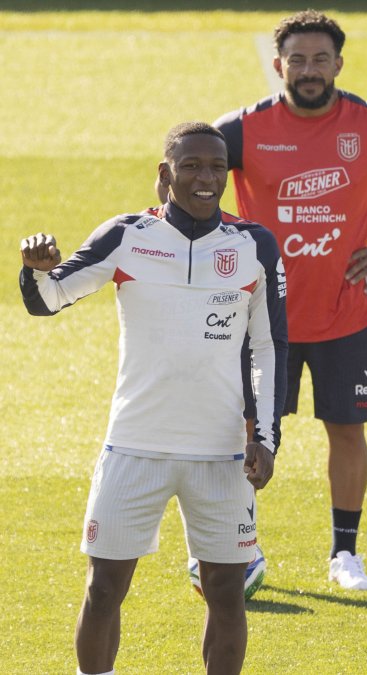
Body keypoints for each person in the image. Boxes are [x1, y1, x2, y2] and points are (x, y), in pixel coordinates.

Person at [20, 122, 287, 675]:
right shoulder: (127, 236)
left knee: (226, 593)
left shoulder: (254, 245)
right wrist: (35, 271)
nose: (205, 177)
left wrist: (265, 437)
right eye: (191, 166)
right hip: (135, 445)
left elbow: (268, 346)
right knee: (104, 588)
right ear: (165, 175)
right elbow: (49, 300)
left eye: (216, 166)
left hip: (220, 453)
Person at [211, 10, 367, 590]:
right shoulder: (241, 129)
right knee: (245, 431)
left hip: (346, 317)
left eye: (321, 59)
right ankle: (233, 548)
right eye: (298, 59)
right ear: (279, 66)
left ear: (339, 64)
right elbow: (179, 182)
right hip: (263, 322)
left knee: (347, 431)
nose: (310, 70)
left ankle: (345, 555)